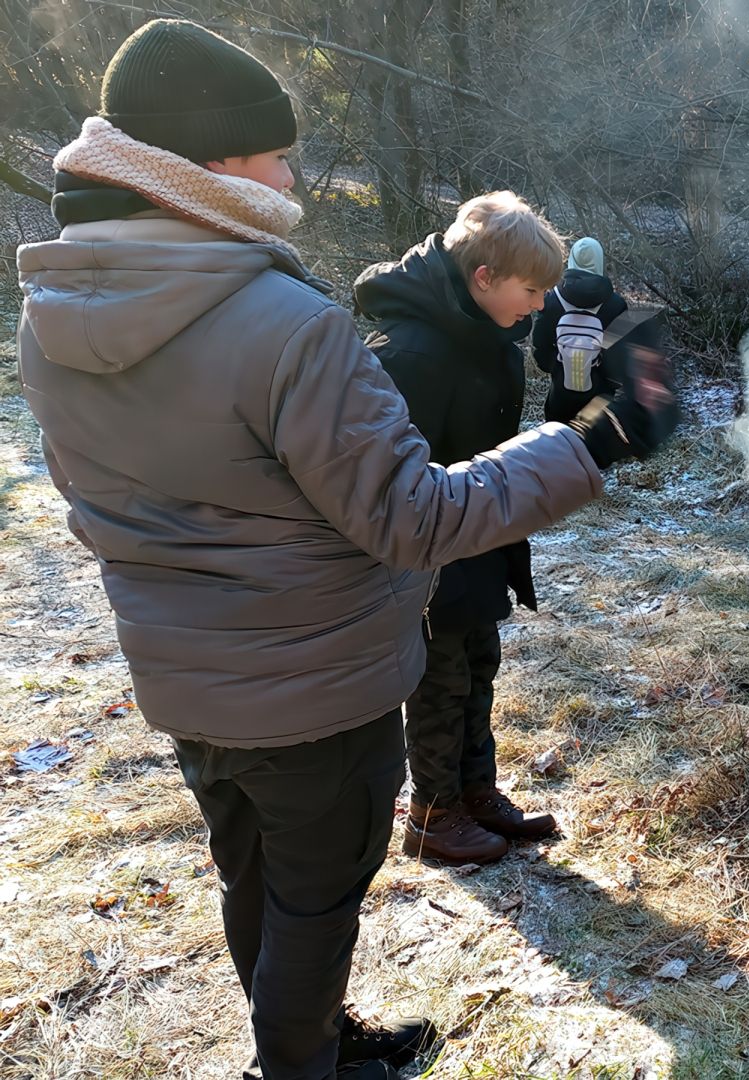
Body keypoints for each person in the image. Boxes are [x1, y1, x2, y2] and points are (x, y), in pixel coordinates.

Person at [15, 20, 674, 1079]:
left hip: (183, 674)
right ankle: (300, 1066)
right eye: (278, 155)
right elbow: (413, 517)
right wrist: (596, 439)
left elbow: (90, 497)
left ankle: (316, 1042)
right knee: (317, 901)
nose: (293, 178)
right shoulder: (286, 324)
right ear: (214, 162)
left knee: (259, 881)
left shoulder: (54, 315)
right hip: (312, 685)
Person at [357, 194, 621, 863]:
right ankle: (433, 814)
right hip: (427, 553)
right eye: (531, 291)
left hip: (477, 537)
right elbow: (386, 482)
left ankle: (475, 792)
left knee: (478, 667)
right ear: (484, 277)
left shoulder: (487, 330)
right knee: (439, 682)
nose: (540, 305)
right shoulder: (410, 352)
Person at [531, 235, 667, 423]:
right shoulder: (615, 304)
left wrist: (559, 368)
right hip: (600, 399)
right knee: (594, 440)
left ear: (571, 259)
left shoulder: (551, 299)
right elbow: (621, 356)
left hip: (560, 396)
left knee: (559, 438)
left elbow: (540, 348)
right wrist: (608, 381)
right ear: (599, 261)